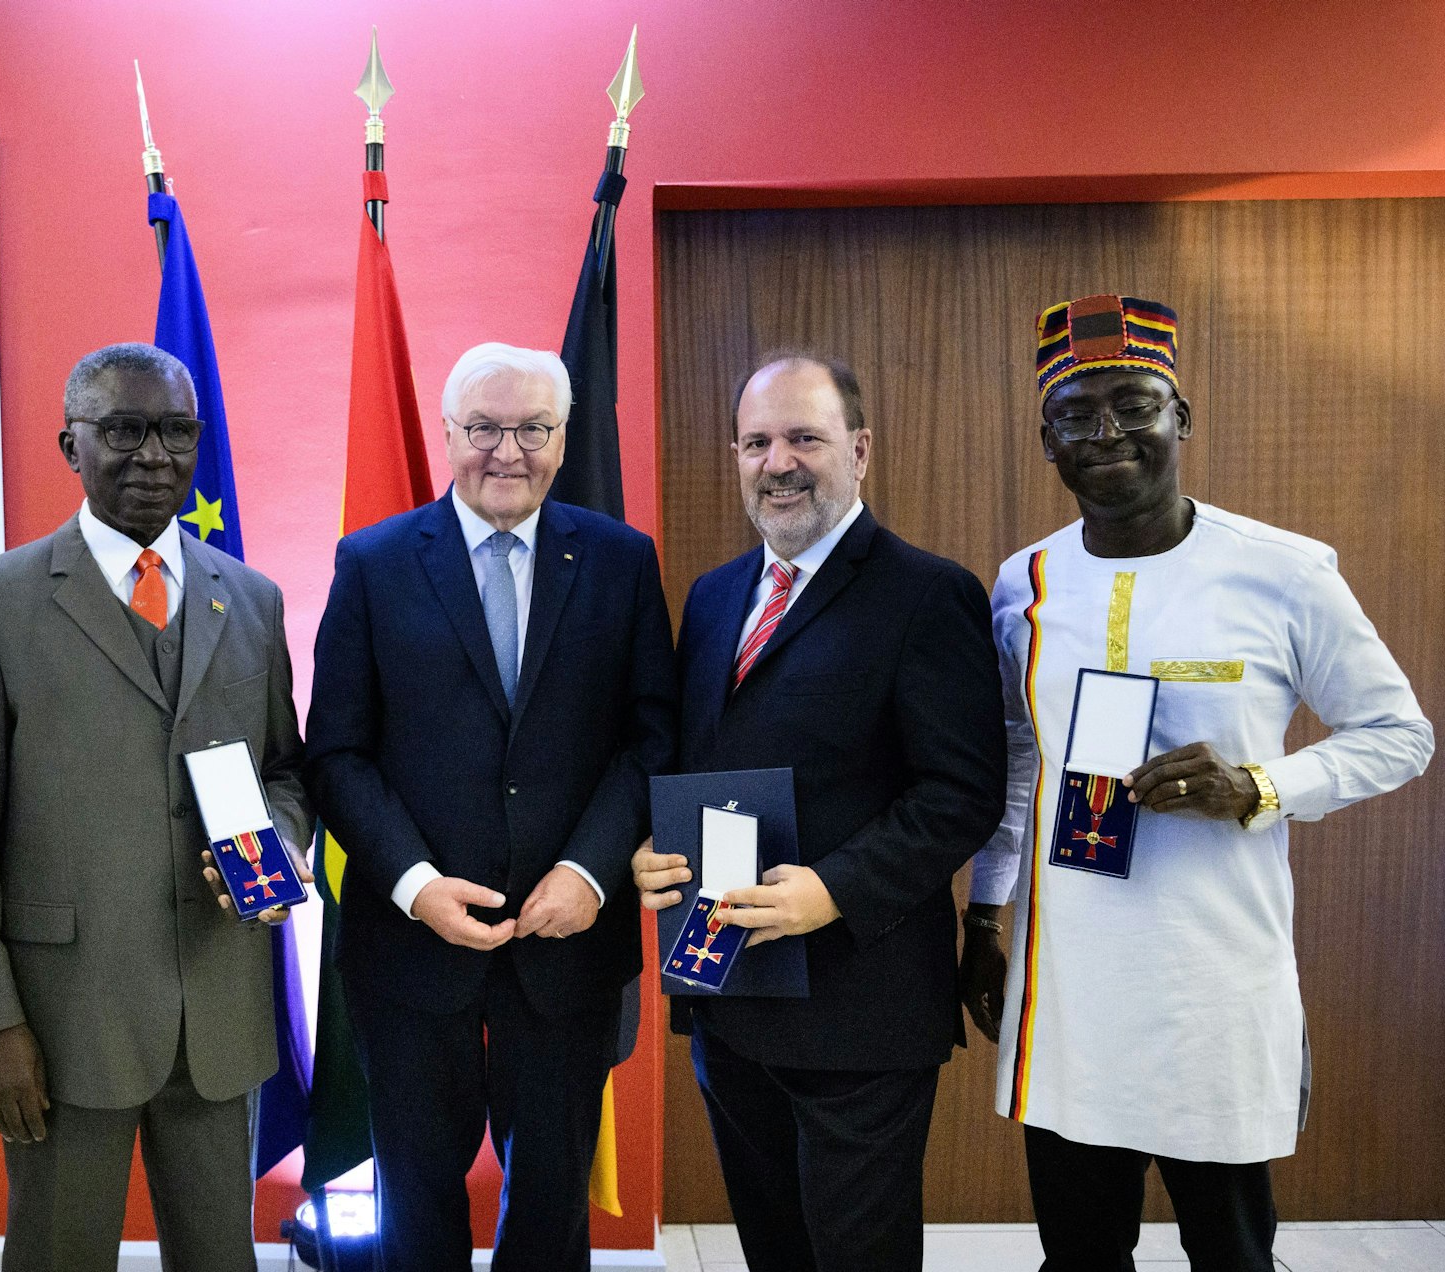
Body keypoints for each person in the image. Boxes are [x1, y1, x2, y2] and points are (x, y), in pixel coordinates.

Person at [958, 295, 1433, 1271]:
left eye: (1132, 405)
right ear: (1043, 439)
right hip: (1067, 985)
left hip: (1212, 982)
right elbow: (1018, 758)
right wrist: (981, 916)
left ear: (1181, 415)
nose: (1104, 434)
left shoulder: (1283, 572)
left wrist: (1259, 785)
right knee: (1077, 1256)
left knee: (1230, 1252)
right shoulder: (1024, 583)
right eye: (1073, 415)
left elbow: (1397, 735)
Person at [0, 343, 311, 1271]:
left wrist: (280, 847)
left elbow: (286, 775)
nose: (152, 455)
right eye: (123, 430)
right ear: (71, 443)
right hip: (60, 1022)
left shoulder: (250, 599)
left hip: (218, 1007)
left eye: (175, 431)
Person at [304, 343, 676, 1271]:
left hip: (569, 946)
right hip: (410, 949)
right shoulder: (373, 562)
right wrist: (415, 883)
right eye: (483, 428)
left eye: (533, 429)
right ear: (448, 434)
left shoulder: (623, 563)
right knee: (417, 1203)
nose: (507, 451)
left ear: (562, 436)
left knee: (550, 1209)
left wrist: (593, 871)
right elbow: (337, 754)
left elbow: (651, 739)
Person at [632, 354, 1007, 1270]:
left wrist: (832, 892)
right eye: (757, 442)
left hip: (860, 1008)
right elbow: (705, 761)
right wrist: (653, 849)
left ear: (860, 450)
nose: (779, 461)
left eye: (805, 437)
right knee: (774, 1249)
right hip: (730, 996)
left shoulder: (927, 593)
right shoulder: (717, 596)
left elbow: (963, 793)